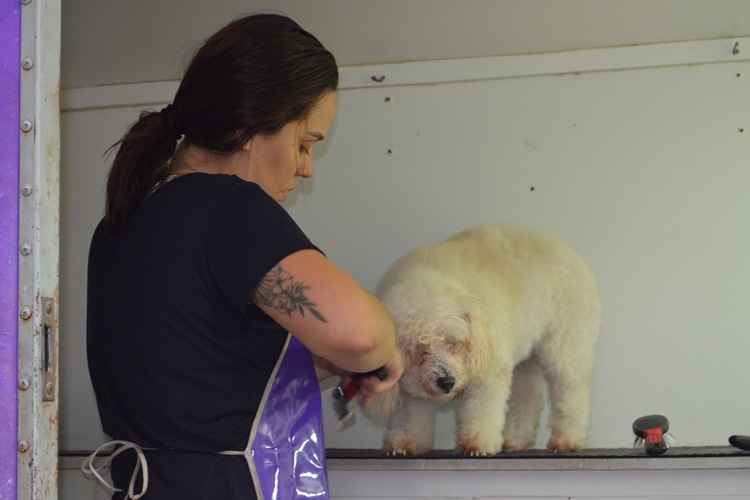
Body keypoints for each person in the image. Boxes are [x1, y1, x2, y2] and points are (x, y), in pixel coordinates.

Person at [83, 14, 403, 500]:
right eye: (304, 143)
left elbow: (196, 381)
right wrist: (384, 347)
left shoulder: (120, 224)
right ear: (255, 122)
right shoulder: (229, 205)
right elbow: (359, 335)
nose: (306, 168)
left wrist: (312, 364)